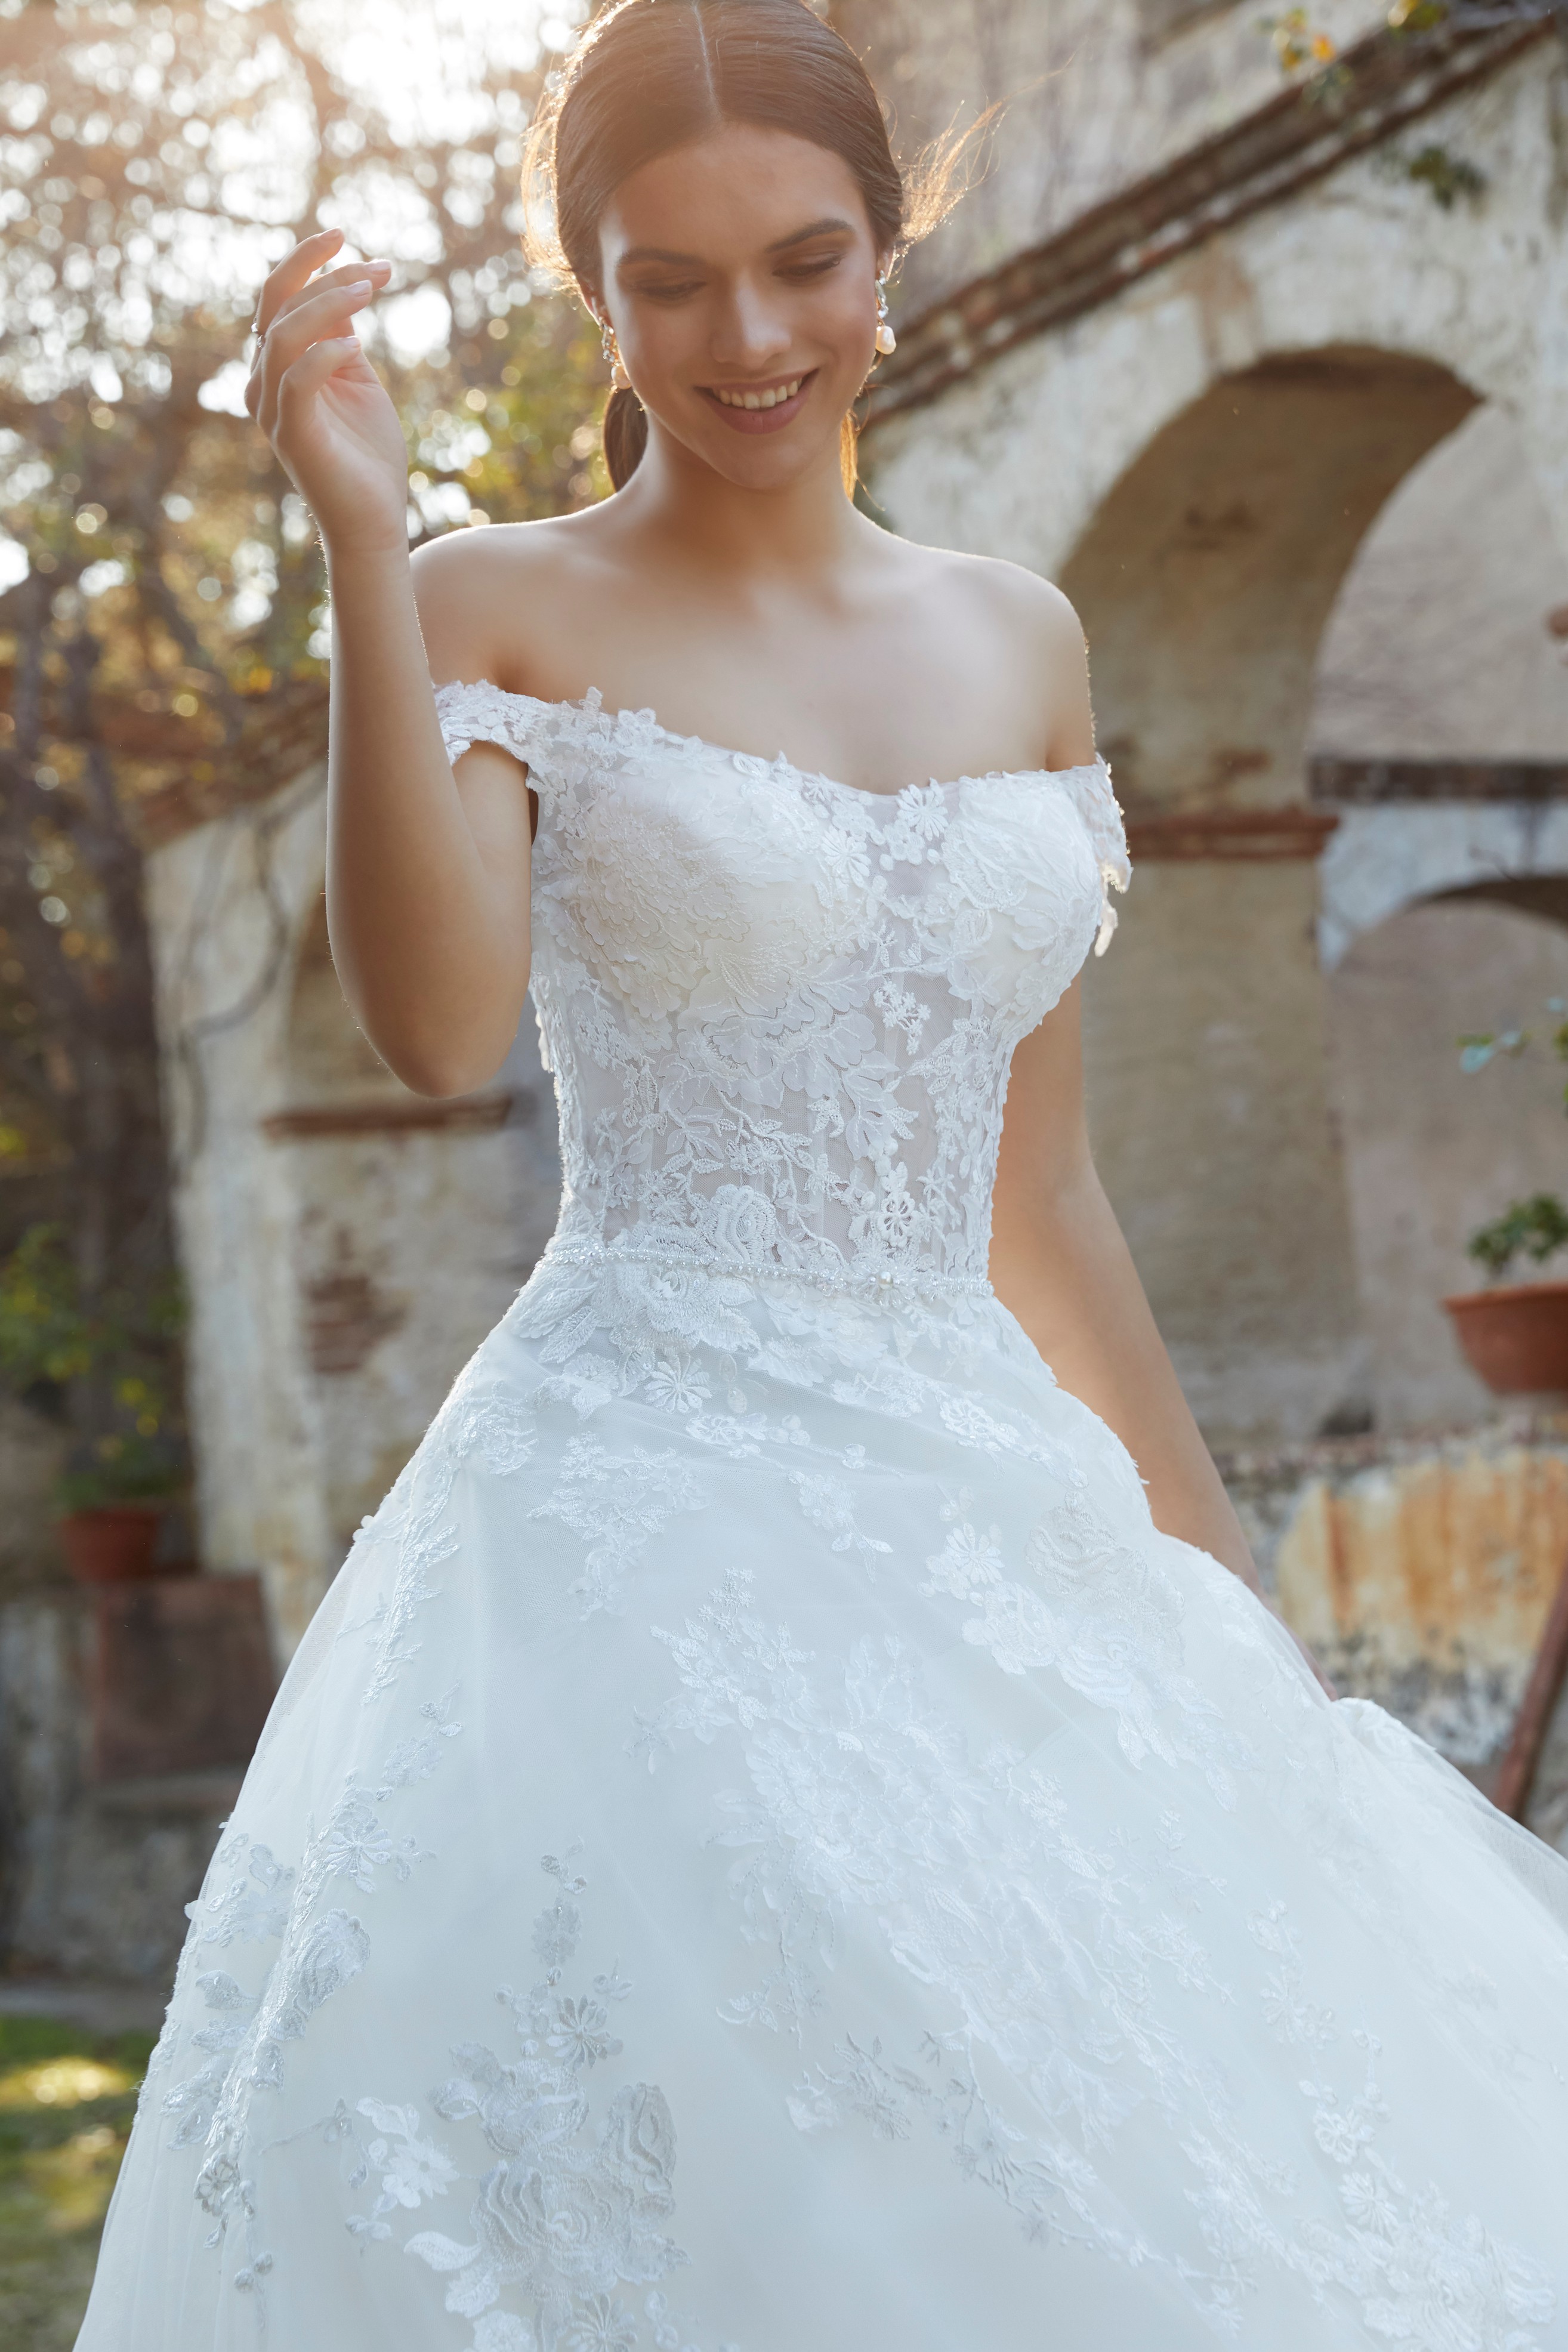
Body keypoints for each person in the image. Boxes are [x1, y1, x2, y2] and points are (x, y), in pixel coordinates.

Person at [78, 2, 1568, 2345]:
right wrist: (365, 537)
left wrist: (1223, 1594)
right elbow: (445, 1030)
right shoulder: (497, 600)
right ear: (593, 293)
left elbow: (1043, 1195)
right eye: (666, 280)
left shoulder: (1029, 636)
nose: (744, 334)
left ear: (892, 254)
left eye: (800, 260)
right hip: (631, 1524)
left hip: (981, 1501)